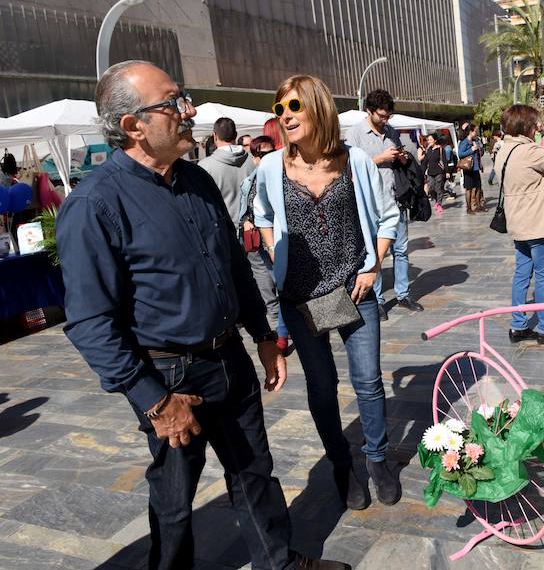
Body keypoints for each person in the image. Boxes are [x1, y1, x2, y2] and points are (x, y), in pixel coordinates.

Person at [56, 60, 348, 570]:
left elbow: (234, 263)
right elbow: (90, 323)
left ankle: (277, 563)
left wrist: (262, 334)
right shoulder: (95, 204)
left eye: (184, 97)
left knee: (253, 471)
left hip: (229, 359)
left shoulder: (196, 179)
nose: (188, 111)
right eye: (172, 103)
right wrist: (156, 400)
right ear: (133, 126)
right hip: (168, 375)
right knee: (174, 499)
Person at [254, 74, 402, 512]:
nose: (285, 117)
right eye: (279, 109)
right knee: (322, 387)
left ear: (317, 108)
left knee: (369, 383)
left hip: (353, 290)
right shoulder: (270, 166)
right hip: (301, 298)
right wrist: (273, 247)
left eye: (294, 107)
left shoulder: (354, 161)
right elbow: (261, 213)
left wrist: (373, 266)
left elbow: (388, 216)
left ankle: (377, 459)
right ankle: (342, 462)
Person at [345, 89, 424, 321]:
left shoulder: (391, 131)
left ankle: (403, 293)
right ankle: (377, 300)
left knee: (401, 250)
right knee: (375, 253)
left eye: (388, 116)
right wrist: (379, 159)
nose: (385, 120)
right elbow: (348, 169)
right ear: (369, 111)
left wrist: (402, 157)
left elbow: (400, 159)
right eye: (381, 115)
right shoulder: (355, 134)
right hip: (370, 204)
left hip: (395, 198)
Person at [494, 104, 544, 344]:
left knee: (522, 275)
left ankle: (518, 325)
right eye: (536, 124)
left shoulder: (504, 150)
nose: (539, 128)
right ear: (527, 126)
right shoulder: (530, 151)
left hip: (518, 223)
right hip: (538, 222)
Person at [238, 135, 293, 355]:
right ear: (254, 157)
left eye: (272, 152)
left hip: (278, 241)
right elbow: (245, 208)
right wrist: (246, 220)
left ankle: (282, 332)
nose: (268, 157)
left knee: (282, 286)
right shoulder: (251, 179)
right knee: (272, 287)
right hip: (258, 243)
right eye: (262, 154)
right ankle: (280, 329)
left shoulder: (283, 176)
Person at [198, 117, 255, 227]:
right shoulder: (254, 160)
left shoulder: (204, 166)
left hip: (224, 230)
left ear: (215, 136)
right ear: (236, 134)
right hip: (253, 228)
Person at [457, 122, 486, 214]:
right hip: (468, 168)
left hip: (476, 167)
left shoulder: (475, 140)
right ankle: (469, 208)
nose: (476, 132)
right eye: (475, 131)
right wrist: (471, 150)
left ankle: (478, 206)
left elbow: (478, 154)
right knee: (469, 188)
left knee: (478, 187)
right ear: (470, 131)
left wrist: (480, 165)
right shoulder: (464, 142)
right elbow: (460, 154)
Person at [419, 132, 446, 215]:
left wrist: (447, 172)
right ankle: (436, 201)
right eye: (428, 140)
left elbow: (444, 161)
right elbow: (424, 163)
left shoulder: (440, 149)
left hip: (439, 172)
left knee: (439, 188)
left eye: (430, 139)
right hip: (430, 172)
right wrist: (421, 172)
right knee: (431, 188)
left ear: (435, 140)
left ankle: (439, 204)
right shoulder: (428, 150)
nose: (429, 141)